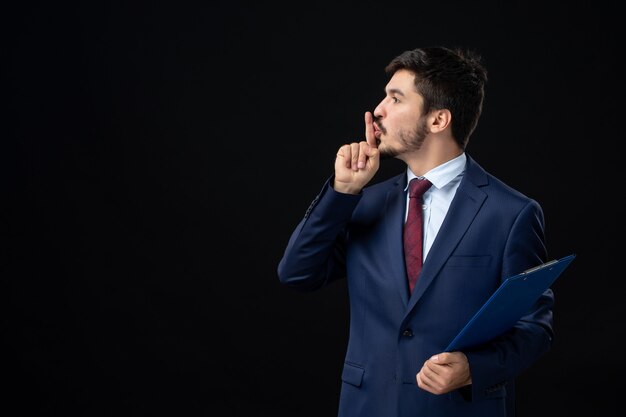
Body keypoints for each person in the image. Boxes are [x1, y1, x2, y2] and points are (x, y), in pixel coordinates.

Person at [277, 46, 553, 417]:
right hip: (368, 406)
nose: (378, 110)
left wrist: (474, 367)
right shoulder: (363, 203)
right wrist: (342, 193)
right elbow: (297, 273)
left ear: (438, 120)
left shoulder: (511, 213)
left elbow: (534, 325)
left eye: (395, 98)